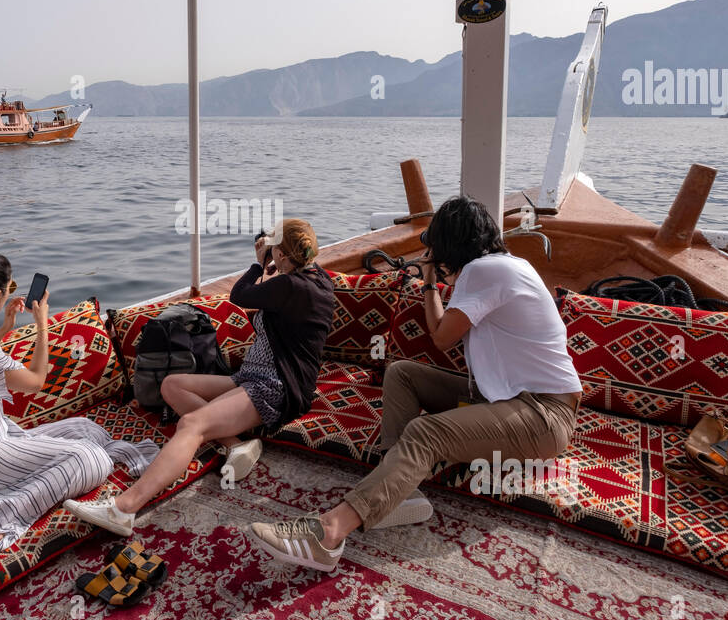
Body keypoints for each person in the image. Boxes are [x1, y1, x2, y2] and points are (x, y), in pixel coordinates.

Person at [246, 196, 582, 572]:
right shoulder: (506, 266)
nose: (432, 252)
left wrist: (430, 281)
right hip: (511, 401)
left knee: (426, 433)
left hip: (542, 416)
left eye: (435, 244)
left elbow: (440, 337)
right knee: (402, 372)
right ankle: (399, 494)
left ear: (451, 243)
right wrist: (431, 282)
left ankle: (328, 533)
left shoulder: (485, 272)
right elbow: (444, 332)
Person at [65, 218, 335, 536]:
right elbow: (271, 298)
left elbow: (240, 295)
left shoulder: (292, 286)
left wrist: (260, 262)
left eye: (275, 248)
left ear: (285, 256)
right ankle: (237, 445)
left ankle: (123, 509)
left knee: (191, 425)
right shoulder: (314, 278)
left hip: (275, 388)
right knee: (172, 384)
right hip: (251, 377)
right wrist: (274, 262)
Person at [0, 251, 159, 578]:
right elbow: (36, 381)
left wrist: (6, 325)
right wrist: (42, 322)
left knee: (84, 428)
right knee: (92, 461)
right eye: (11, 287)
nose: (11, 292)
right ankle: (4, 510)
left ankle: (24, 480)